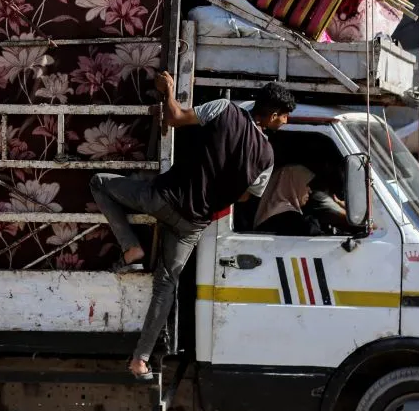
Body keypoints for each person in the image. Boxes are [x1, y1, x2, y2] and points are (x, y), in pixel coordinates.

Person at [90, 76, 296, 379]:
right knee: (166, 285)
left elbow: (174, 117)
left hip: (162, 198)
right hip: (192, 224)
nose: (286, 121)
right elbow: (244, 197)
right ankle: (140, 360)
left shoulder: (224, 109)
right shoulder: (267, 157)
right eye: (285, 116)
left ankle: (131, 247)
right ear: (273, 115)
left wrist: (169, 91)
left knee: (99, 183)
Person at [253, 163, 359, 236]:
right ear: (293, 185)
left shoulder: (272, 215)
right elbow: (314, 235)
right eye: (306, 185)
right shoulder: (292, 220)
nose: (310, 191)